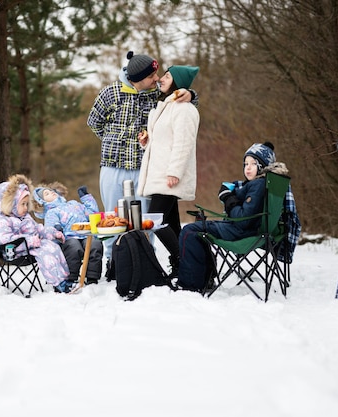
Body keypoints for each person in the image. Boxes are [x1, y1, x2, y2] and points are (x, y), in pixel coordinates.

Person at [87, 50, 197, 261]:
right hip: (112, 166)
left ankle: (147, 263)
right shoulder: (109, 93)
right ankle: (113, 262)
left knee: (146, 222)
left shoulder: (157, 93)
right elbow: (94, 122)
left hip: (142, 168)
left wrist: (191, 94)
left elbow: (186, 105)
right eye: (151, 76)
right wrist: (113, 141)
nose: (156, 79)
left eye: (157, 74)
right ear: (136, 79)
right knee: (113, 219)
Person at [176, 142, 301, 291]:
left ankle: (191, 284)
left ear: (263, 166)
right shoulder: (266, 183)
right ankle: (204, 278)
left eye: (253, 163)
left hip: (242, 232)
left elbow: (243, 219)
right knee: (199, 231)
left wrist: (228, 199)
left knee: (189, 231)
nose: (247, 167)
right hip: (256, 231)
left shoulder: (257, 185)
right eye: (245, 163)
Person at [137, 65, 200, 277]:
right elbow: (165, 141)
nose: (161, 79)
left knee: (155, 220)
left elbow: (184, 143)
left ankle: (185, 261)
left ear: (177, 81)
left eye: (166, 76)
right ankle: (182, 266)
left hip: (168, 175)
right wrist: (147, 142)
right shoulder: (166, 105)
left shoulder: (185, 109)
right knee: (171, 224)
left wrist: (175, 171)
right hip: (159, 174)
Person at [0, 174, 73, 293]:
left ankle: (66, 279)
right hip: (15, 251)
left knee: (53, 247)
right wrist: (29, 241)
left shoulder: (25, 217)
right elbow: (4, 239)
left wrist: (53, 233)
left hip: (32, 247)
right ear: (11, 204)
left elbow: (39, 230)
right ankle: (60, 284)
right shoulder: (3, 220)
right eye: (22, 204)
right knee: (45, 254)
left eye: (26, 204)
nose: (26, 207)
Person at [33, 183, 104, 285]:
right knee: (74, 247)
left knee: (95, 244)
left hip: (86, 234)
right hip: (67, 238)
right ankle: (71, 277)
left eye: (50, 190)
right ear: (41, 202)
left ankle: (92, 277)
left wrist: (86, 198)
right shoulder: (51, 212)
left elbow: (92, 214)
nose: (51, 192)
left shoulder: (73, 203)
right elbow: (49, 228)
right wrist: (56, 230)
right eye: (46, 194)